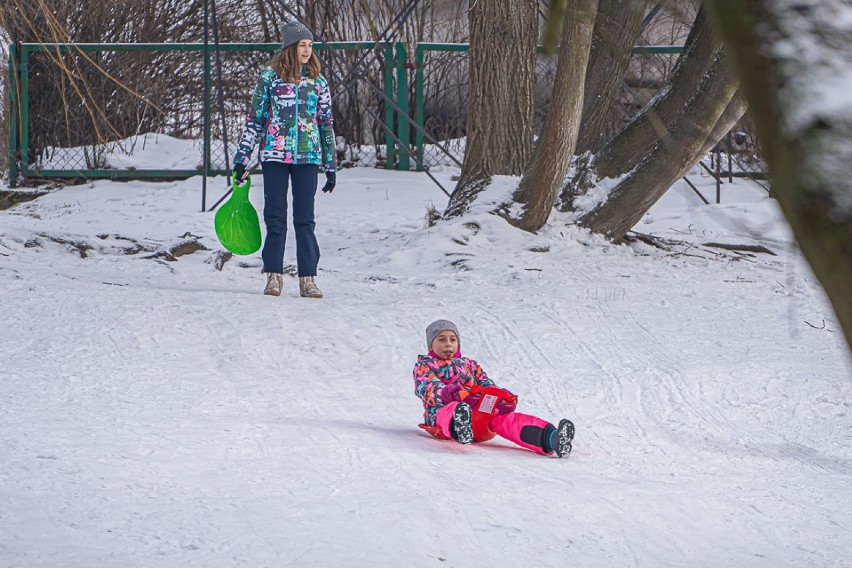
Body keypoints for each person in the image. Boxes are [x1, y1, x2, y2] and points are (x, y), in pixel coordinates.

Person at [232, 20, 337, 298]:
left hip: (308, 157)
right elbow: (255, 120)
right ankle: (273, 276)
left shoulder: (318, 82)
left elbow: (326, 123)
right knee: (275, 217)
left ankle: (308, 278)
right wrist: (242, 158)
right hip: (274, 157)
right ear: (290, 47)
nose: (307, 50)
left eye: (310, 45)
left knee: (305, 219)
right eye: (302, 45)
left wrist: (331, 165)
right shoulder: (269, 79)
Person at [413, 319, 575, 457]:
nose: (448, 344)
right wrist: (454, 394)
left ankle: (552, 439)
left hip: (478, 418)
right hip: (442, 420)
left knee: (508, 420)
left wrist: (502, 398)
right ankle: (459, 425)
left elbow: (486, 384)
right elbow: (427, 388)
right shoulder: (425, 365)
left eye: (452, 340)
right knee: (453, 408)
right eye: (441, 340)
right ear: (431, 345)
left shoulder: (469, 364)